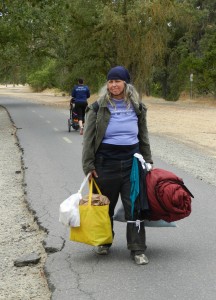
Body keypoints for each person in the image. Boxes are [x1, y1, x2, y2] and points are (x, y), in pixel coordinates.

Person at [82, 66, 153, 265]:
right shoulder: (97, 107)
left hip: (132, 165)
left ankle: (137, 249)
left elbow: (143, 136)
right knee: (105, 207)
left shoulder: (138, 107)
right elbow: (88, 139)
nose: (113, 85)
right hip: (105, 164)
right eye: (110, 81)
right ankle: (104, 242)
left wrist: (148, 161)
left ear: (126, 84)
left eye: (117, 81)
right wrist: (88, 166)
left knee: (135, 208)